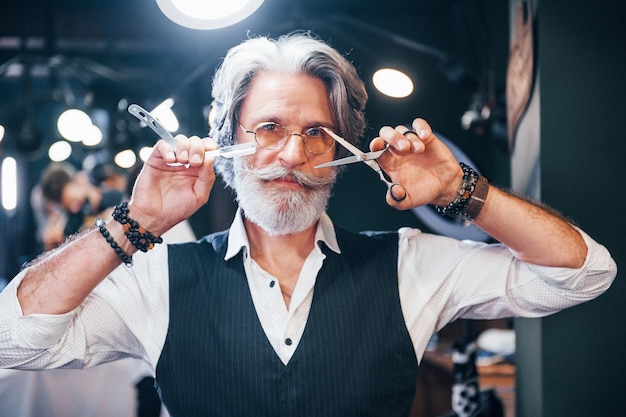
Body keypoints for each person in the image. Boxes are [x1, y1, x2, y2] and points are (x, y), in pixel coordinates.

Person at [0, 32, 617, 417]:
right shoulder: (159, 279)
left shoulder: (408, 264)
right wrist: (135, 221)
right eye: (268, 129)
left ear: (342, 150)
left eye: (317, 135)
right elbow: (13, 343)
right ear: (224, 144)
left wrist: (463, 189)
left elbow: (584, 274)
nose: (293, 156)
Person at [37, 162, 125, 250]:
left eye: (73, 201)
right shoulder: (71, 227)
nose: (74, 209)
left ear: (80, 180)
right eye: (67, 207)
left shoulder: (118, 198)